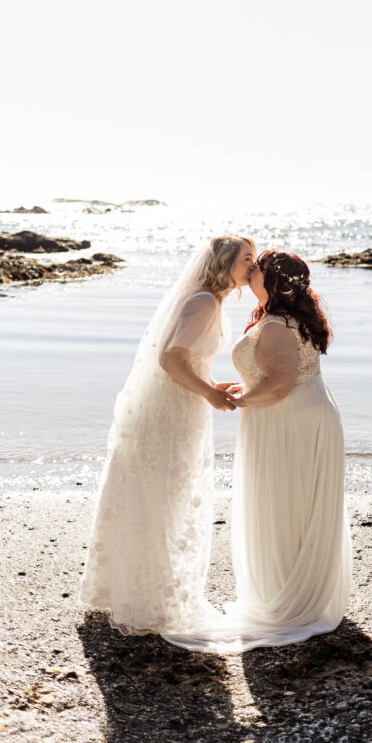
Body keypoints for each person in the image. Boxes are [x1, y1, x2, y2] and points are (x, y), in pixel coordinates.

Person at [165, 249, 352, 652]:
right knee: (290, 503)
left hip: (290, 420)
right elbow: (274, 374)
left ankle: (290, 595)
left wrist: (238, 402)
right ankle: (289, 586)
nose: (249, 272)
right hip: (296, 414)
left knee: (285, 502)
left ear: (273, 281)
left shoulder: (276, 326)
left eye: (257, 269)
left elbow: (281, 383)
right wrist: (243, 386)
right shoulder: (279, 319)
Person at [78, 234, 256, 636]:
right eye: (247, 258)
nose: (254, 266)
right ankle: (146, 600)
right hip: (172, 412)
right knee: (163, 496)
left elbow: (189, 358)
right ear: (226, 262)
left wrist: (212, 382)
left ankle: (136, 590)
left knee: (165, 495)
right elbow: (168, 359)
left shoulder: (212, 302)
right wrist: (209, 392)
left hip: (184, 406)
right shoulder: (204, 301)